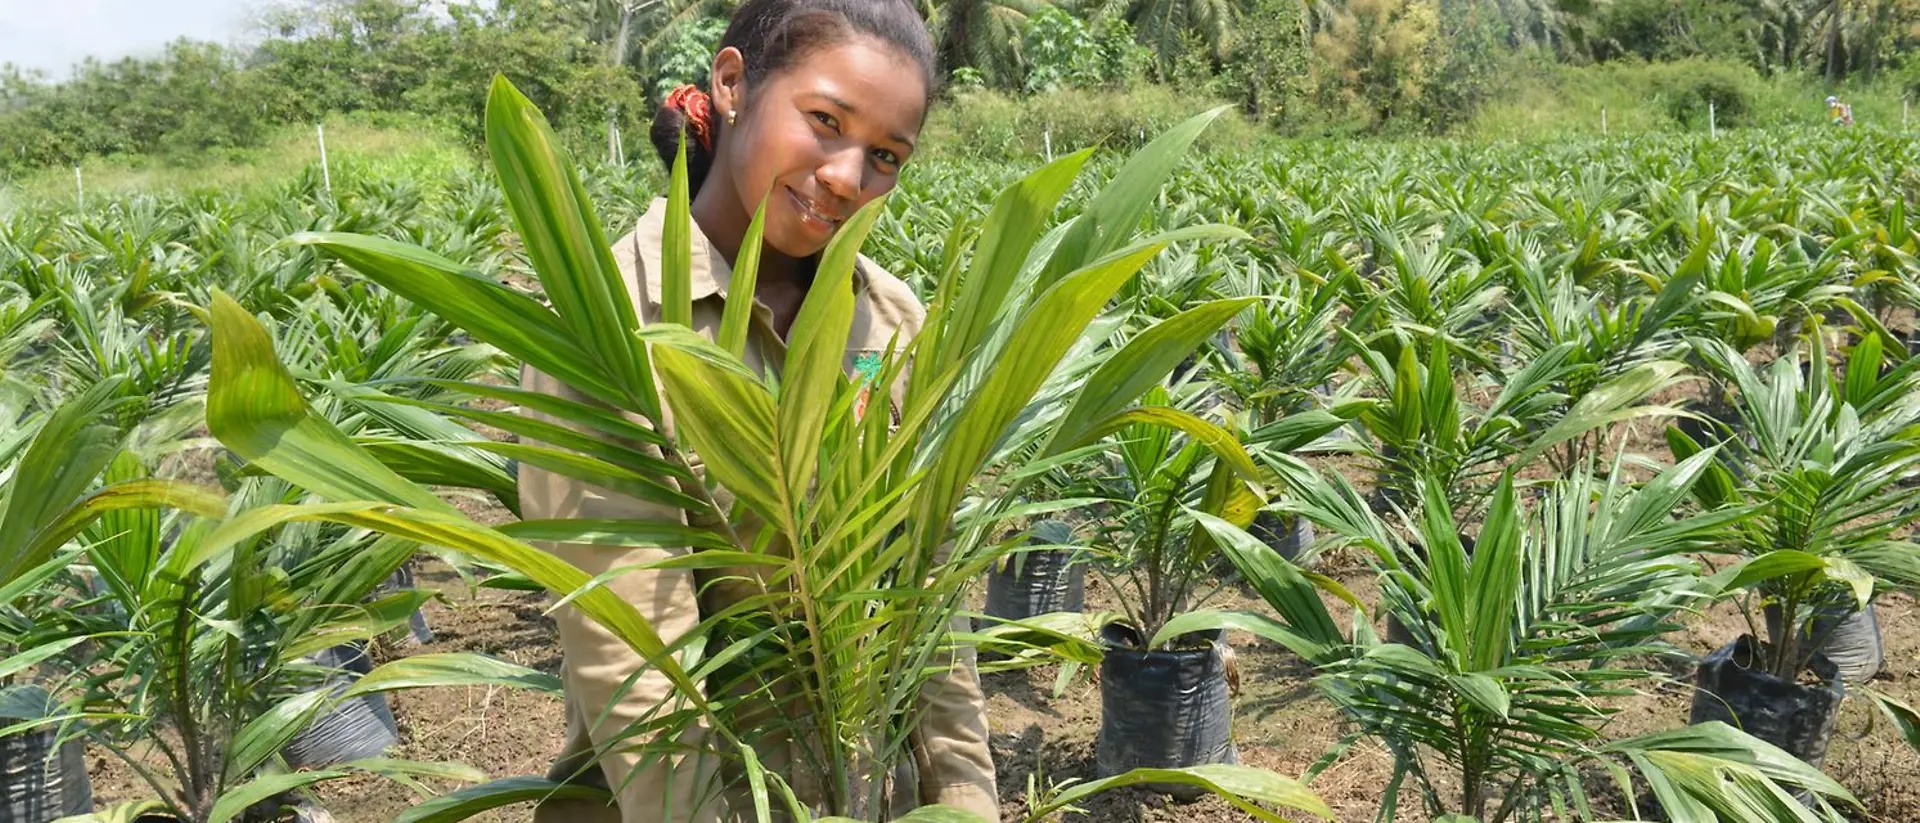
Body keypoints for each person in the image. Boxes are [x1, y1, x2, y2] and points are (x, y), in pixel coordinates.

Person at [517, 0, 999, 821]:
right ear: (733, 85)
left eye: (885, 156)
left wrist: (962, 796)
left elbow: (928, 602)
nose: (849, 177)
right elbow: (639, 667)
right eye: (824, 121)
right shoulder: (618, 325)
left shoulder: (890, 321)